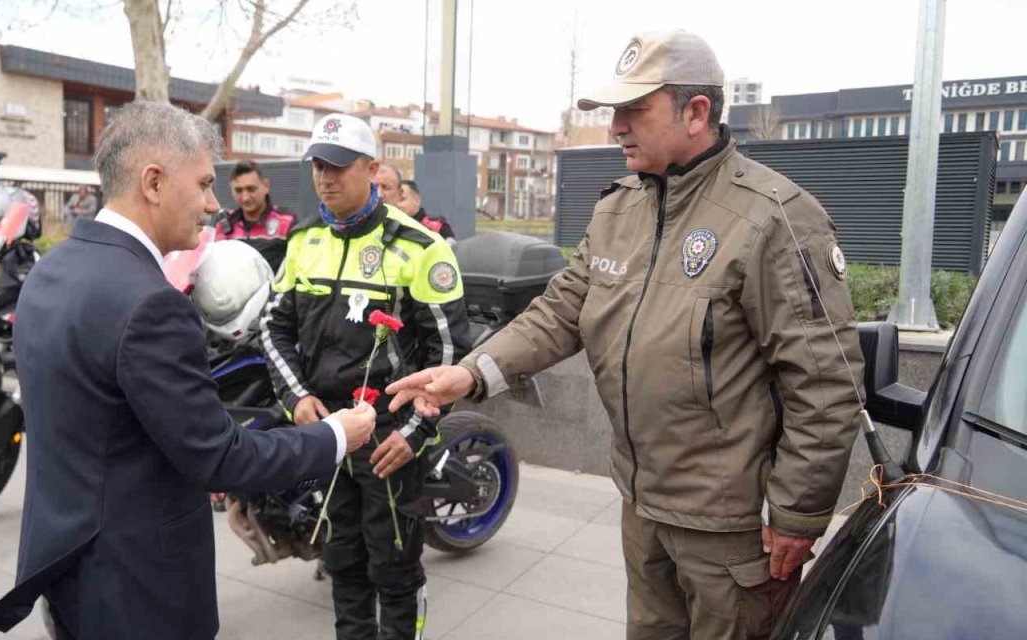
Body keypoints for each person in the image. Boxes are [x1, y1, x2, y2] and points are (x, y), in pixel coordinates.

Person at [387, 30, 863, 640]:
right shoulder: (620, 208)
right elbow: (560, 312)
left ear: (697, 112)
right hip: (642, 506)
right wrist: (472, 373)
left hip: (732, 530)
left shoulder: (773, 216)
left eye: (633, 110)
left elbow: (824, 384)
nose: (615, 127)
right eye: (614, 111)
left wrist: (798, 515)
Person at [0, 102, 377, 640]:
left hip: (67, 563)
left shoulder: (54, 269)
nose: (215, 204)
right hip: (139, 585)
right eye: (206, 183)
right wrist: (336, 435)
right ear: (154, 182)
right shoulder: (150, 304)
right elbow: (219, 457)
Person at [262, 113, 471, 639]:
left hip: (389, 439)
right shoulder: (304, 239)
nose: (324, 178)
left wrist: (415, 433)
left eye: (337, 166)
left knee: (395, 568)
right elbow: (273, 329)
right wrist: (297, 398)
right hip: (328, 432)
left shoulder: (423, 247)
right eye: (317, 166)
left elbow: (450, 359)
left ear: (372, 168)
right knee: (342, 562)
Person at [214, 160, 297, 273]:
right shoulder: (222, 225)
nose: (245, 198)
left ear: (266, 186)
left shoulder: (287, 222)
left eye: (251, 189)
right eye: (238, 190)